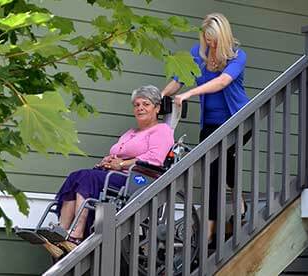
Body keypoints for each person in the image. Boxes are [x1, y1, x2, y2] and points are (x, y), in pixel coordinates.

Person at [26, 85, 174, 257]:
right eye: (137, 104)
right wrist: (107, 161)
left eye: (146, 104)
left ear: (156, 108)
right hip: (115, 175)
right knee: (77, 176)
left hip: (137, 180)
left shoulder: (162, 130)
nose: (140, 108)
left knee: (87, 177)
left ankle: (76, 235)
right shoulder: (130, 133)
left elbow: (154, 159)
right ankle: (61, 234)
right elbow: (116, 155)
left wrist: (120, 164)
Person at [161, 13, 250, 242]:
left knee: (215, 168)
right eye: (207, 39)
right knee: (217, 167)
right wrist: (160, 95)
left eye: (214, 39)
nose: (210, 44)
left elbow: (222, 82)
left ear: (223, 35)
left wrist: (190, 93)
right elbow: (179, 78)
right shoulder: (197, 55)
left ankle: (209, 231)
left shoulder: (237, 56)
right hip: (210, 123)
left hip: (237, 120)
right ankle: (238, 203)